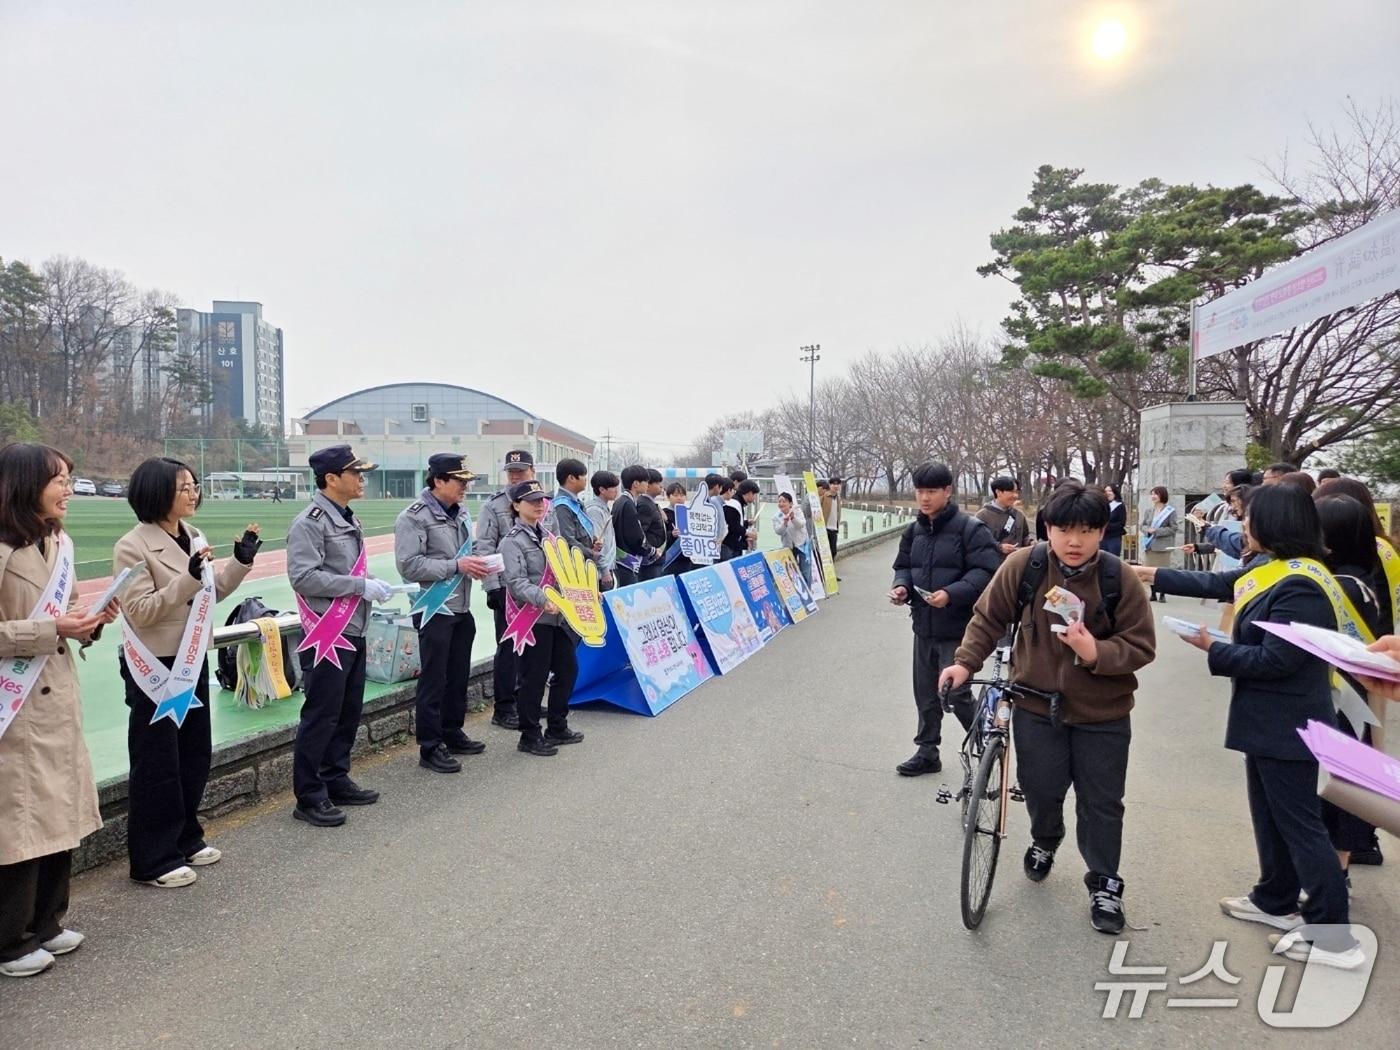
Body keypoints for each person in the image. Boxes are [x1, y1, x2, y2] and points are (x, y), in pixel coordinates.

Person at [1136, 485, 1363, 970]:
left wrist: (1213, 649)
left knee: (1301, 826)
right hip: (1267, 721)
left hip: (1288, 723)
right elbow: (1223, 584)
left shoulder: (1302, 585)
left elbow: (1278, 661)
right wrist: (1149, 573)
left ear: (1274, 524)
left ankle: (1333, 937)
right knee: (1270, 816)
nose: (1243, 525)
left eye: (1249, 518)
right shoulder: (1274, 568)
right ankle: (1274, 899)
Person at [941, 481, 1156, 934]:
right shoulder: (1025, 566)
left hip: (1104, 713)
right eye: (1063, 530)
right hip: (1036, 707)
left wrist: (1095, 651)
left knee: (1102, 802)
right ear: (1048, 529)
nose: (1074, 541)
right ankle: (1046, 839)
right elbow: (988, 618)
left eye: (1086, 531)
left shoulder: (1118, 578)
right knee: (1040, 790)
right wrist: (964, 663)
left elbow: (1141, 646)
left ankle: (1104, 882)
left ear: (1102, 532)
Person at [0, 443, 120, 978]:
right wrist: (52, 628)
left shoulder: (58, 542)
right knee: (19, 821)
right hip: (14, 705)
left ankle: (48, 920)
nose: (69, 489)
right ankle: (10, 939)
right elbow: (43, 624)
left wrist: (90, 622)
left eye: (70, 479)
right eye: (60, 480)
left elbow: (67, 614)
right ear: (26, 483)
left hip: (56, 695)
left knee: (58, 813)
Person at [113, 457, 260, 886]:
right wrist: (190, 579)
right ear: (156, 492)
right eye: (184, 487)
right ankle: (152, 858)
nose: (194, 493)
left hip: (192, 659)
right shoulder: (131, 546)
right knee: (157, 761)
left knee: (194, 754)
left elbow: (209, 592)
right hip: (155, 667)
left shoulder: (194, 536)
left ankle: (185, 837)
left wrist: (239, 562)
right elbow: (141, 611)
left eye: (195, 485)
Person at [287, 445, 393, 828]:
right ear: (331, 478)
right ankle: (309, 795)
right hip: (328, 635)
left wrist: (366, 585)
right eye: (355, 473)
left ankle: (335, 777)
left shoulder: (347, 517)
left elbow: (343, 571)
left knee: (347, 712)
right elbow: (303, 577)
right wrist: (359, 586)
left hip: (353, 628)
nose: (361, 479)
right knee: (322, 715)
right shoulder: (310, 523)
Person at [888, 462, 1000, 777]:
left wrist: (951, 593)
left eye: (932, 491)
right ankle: (927, 752)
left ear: (947, 491)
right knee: (925, 692)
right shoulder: (914, 531)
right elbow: (903, 566)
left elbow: (986, 572)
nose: (924, 498)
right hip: (924, 625)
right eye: (920, 491)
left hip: (959, 627)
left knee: (955, 691)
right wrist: (901, 587)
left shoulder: (971, 529)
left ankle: (986, 743)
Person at [394, 454, 494, 775]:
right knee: (434, 679)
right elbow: (409, 565)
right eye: (459, 481)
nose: (465, 487)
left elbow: (467, 550)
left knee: (457, 676)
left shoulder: (460, 512)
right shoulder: (414, 517)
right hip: (435, 608)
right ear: (438, 481)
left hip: (461, 607)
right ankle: (430, 745)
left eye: (467, 481)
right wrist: (456, 566)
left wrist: (482, 560)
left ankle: (452, 731)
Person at [1313, 494, 1386, 880]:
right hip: (1355, 693)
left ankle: (1335, 877)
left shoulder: (1338, 585)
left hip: (1339, 695)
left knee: (1335, 786)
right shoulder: (1363, 578)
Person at [499, 480, 584, 756]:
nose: (539, 505)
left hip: (557, 618)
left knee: (568, 669)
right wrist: (543, 599)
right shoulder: (511, 542)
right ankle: (530, 734)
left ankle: (557, 726)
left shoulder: (549, 537)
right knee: (533, 679)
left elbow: (565, 573)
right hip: (533, 619)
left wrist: (584, 594)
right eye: (532, 500)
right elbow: (516, 582)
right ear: (516, 505)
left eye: (541, 500)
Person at [473, 449, 536, 730]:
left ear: (532, 472)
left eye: (520, 471)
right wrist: (492, 587)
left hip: (536, 590)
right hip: (507, 590)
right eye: (511, 472)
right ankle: (504, 707)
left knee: (533, 648)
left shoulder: (540, 503)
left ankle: (527, 700)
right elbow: (484, 547)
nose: (515, 476)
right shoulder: (494, 506)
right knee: (509, 647)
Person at [547, 458, 603, 566]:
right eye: (583, 476)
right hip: (574, 566)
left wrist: (593, 542)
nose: (586, 480)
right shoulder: (562, 506)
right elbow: (567, 541)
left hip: (584, 562)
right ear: (571, 478)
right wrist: (591, 553)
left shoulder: (576, 502)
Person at [612, 465, 659, 587]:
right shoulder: (628, 504)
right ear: (636, 484)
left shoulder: (620, 501)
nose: (647, 484)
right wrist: (651, 551)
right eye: (645, 481)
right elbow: (635, 536)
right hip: (627, 561)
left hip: (620, 559)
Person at [976, 477, 1032, 561]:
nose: (1015, 496)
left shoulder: (1019, 515)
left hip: (1016, 564)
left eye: (1016, 492)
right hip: (991, 565)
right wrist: (999, 547)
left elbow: (1025, 537)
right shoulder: (982, 516)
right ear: (998, 492)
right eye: (1011, 491)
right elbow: (976, 544)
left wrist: (1031, 543)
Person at [1139, 486, 1176, 602]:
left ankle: (1162, 594)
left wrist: (1157, 531)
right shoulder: (1149, 511)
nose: (1153, 496)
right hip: (1150, 545)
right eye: (1152, 494)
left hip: (1163, 546)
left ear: (1162, 495)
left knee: (1162, 571)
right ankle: (1153, 593)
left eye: (1156, 494)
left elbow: (1173, 528)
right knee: (1150, 570)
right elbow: (1142, 525)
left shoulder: (1170, 511)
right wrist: (1147, 530)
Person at [584, 470, 619, 591]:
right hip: (599, 573)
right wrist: (604, 570)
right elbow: (597, 543)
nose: (616, 490)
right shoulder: (595, 511)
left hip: (606, 568)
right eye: (613, 487)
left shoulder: (604, 508)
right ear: (602, 490)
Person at [636, 468, 668, 581]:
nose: (661, 486)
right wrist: (650, 551)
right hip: (650, 560)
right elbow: (640, 533)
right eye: (657, 483)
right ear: (647, 485)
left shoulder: (651, 504)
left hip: (656, 558)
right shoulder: (644, 505)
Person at [772, 492, 810, 582]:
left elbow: (801, 525)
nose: (781, 503)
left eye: (784, 501)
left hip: (802, 544)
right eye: (779, 501)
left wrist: (793, 518)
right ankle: (795, 588)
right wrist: (784, 523)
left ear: (790, 503)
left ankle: (807, 588)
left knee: (805, 570)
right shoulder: (776, 517)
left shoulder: (797, 511)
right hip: (788, 546)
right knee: (791, 571)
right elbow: (778, 531)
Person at [1101, 484, 1127, 558]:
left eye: (1110, 491)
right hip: (1102, 537)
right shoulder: (1102, 505)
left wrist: (1106, 527)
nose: (1107, 493)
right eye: (1106, 491)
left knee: (1112, 559)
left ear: (1115, 492)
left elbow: (1121, 523)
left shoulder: (1119, 505)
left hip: (1114, 537)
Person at [822, 477, 844, 565]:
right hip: (825, 528)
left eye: (838, 484)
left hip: (834, 528)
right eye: (833, 484)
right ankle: (824, 571)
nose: (836, 486)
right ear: (830, 485)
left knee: (834, 551)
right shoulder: (824, 496)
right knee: (825, 552)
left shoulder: (838, 498)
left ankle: (830, 570)